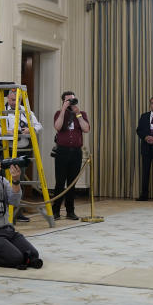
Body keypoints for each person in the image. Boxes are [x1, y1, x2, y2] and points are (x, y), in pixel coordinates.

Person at [0, 88, 42, 221]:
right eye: (12, 100)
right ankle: (2, 211)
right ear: (7, 98)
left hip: (22, 151)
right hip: (5, 149)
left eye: (17, 100)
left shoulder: (26, 110)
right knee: (2, 180)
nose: (14, 103)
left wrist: (30, 129)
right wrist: (6, 131)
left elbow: (38, 125)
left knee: (19, 180)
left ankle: (18, 213)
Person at [51, 91, 90, 220]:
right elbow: (57, 126)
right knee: (60, 182)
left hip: (76, 153)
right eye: (68, 101)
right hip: (62, 152)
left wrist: (77, 113)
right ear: (63, 101)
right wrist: (63, 110)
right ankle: (55, 211)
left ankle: (70, 211)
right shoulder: (59, 113)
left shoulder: (82, 114)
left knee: (72, 183)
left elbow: (86, 129)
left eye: (72, 100)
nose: (70, 103)